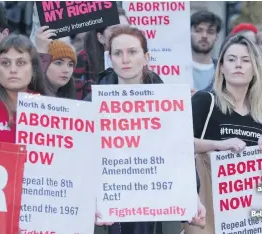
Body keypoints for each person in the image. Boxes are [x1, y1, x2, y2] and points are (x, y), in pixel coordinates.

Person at [84, 25, 206, 234]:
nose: (125, 59)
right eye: (118, 53)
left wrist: (192, 198)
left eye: (132, 52)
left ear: (146, 57)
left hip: (157, 207)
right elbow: (84, 158)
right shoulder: (93, 103)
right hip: (112, 207)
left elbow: (179, 152)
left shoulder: (168, 102)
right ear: (109, 58)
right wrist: (90, 200)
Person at [186, 34, 262, 234]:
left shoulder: (261, 112)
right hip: (208, 206)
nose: (238, 65)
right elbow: (179, 143)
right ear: (221, 67)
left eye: (245, 60)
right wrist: (219, 144)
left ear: (255, 68)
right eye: (231, 59)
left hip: (248, 213)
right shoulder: (205, 101)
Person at [0, 34, 52, 142]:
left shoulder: (49, 110)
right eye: (5, 63)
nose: (13, 69)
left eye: (21, 63)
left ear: (33, 69)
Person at [73, 8, 130, 100]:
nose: (123, 34)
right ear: (101, 38)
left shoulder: (138, 60)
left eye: (127, 29)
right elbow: (75, 104)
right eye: (116, 30)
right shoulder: (83, 60)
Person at [190, 10, 222, 92]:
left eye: (210, 32)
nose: (204, 36)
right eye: (199, 30)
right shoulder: (175, 70)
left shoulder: (223, 71)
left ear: (216, 37)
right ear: (189, 33)